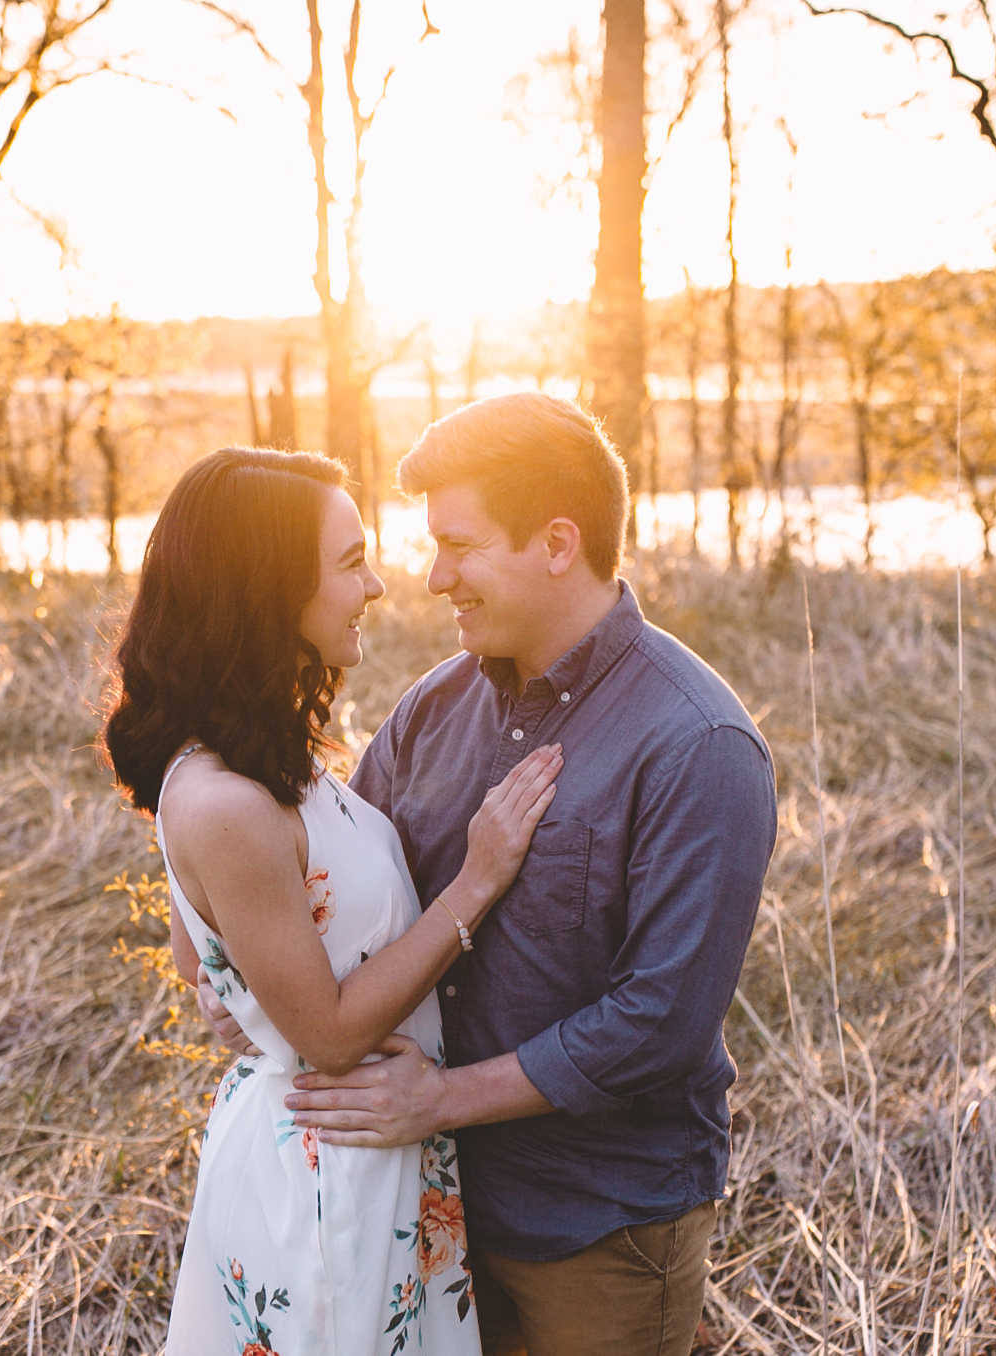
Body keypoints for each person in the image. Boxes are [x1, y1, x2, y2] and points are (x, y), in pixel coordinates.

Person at [202, 395, 777, 1356]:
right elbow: (341, 893)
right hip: (427, 1213)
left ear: (557, 543)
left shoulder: (697, 744)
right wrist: (253, 984)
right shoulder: (435, 708)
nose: (431, 579)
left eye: (459, 547)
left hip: (597, 1223)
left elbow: (662, 1021)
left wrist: (443, 1098)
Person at [104, 447, 564, 1356]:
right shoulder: (226, 798)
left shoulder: (259, 760)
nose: (382, 586)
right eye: (351, 563)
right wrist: (476, 883)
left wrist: (239, 994)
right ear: (268, 592)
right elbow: (327, 1035)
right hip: (322, 1176)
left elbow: (199, 959)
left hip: (373, 1156)